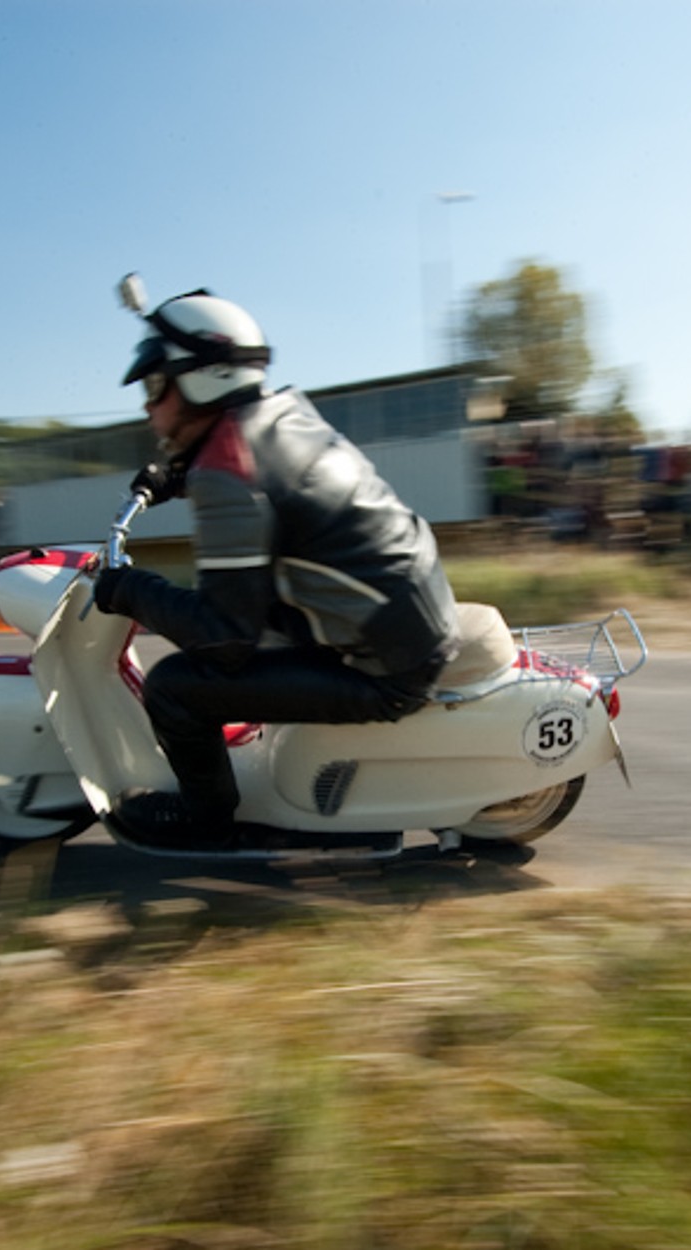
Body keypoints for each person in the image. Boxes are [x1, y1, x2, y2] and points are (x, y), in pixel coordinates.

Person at [92, 288, 462, 848]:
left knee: (172, 686)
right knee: (243, 613)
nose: (148, 406)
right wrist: (181, 476)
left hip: (384, 669)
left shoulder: (228, 469)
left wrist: (130, 589)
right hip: (403, 622)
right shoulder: (282, 414)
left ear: (201, 379)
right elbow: (284, 488)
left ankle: (206, 821)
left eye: (154, 386)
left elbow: (223, 640)